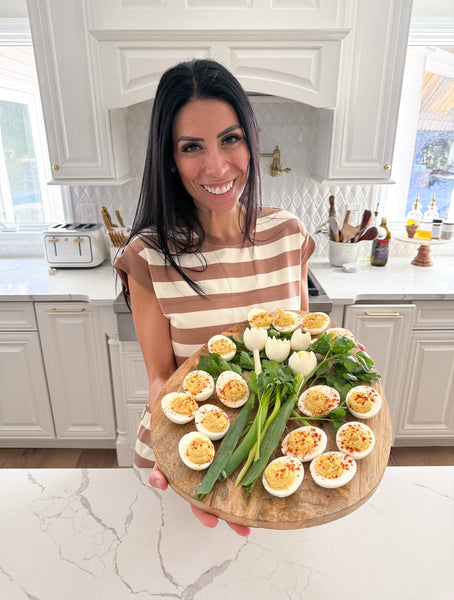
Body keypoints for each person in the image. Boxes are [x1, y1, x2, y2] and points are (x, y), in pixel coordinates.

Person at [114, 59, 316, 536]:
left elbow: (300, 352)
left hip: (275, 455)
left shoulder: (289, 235)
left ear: (250, 140)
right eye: (191, 147)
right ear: (169, 157)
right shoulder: (150, 257)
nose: (217, 166)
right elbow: (162, 377)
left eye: (230, 139)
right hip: (186, 456)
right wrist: (183, 461)